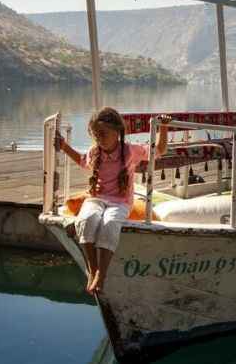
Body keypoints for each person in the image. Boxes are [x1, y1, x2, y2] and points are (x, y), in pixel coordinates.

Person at [56, 107, 169, 294]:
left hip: (120, 202)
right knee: (86, 220)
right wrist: (64, 147)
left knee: (109, 223)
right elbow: (83, 161)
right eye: (95, 134)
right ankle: (93, 270)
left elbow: (159, 150)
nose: (99, 138)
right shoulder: (95, 152)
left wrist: (163, 127)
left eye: (103, 133)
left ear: (117, 132)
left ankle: (102, 274)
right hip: (96, 198)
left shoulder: (130, 151)